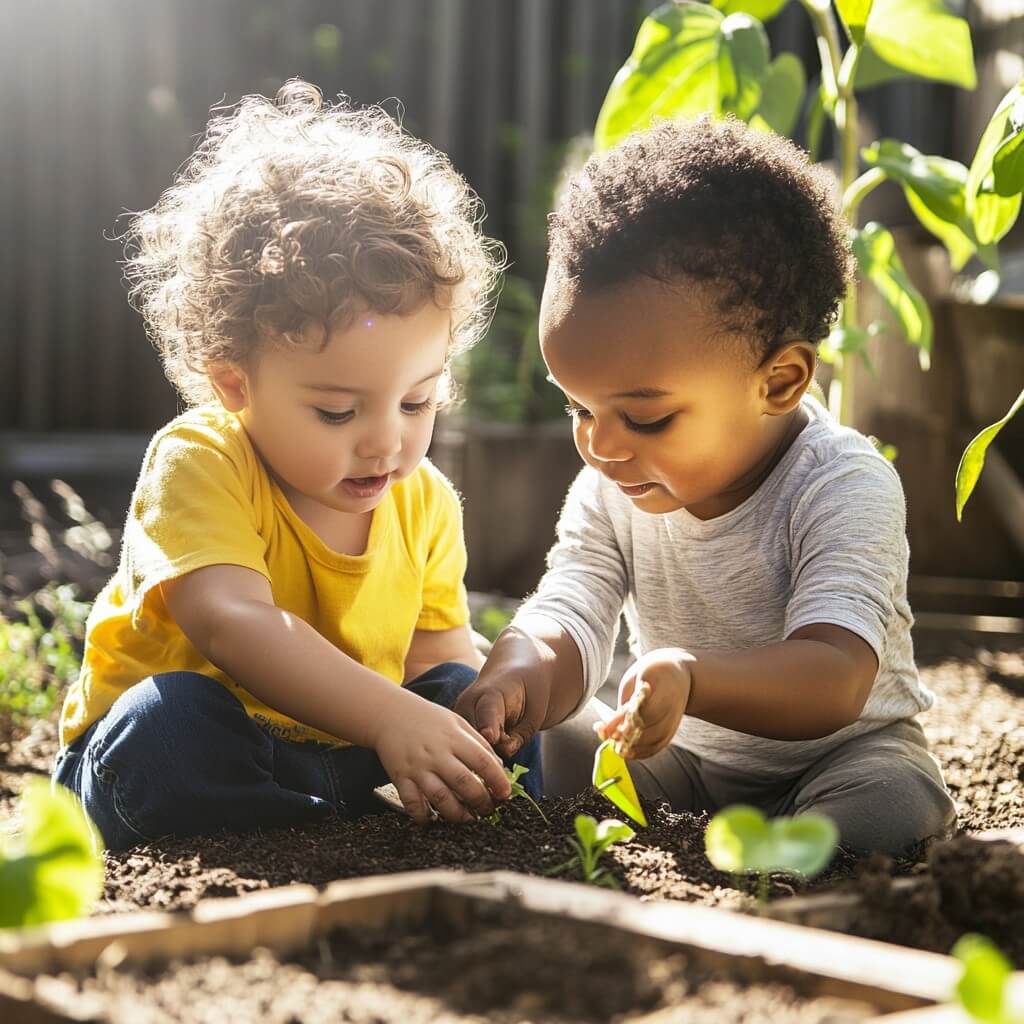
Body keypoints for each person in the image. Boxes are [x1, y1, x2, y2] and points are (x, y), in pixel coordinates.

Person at [54, 80, 539, 852]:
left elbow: (434, 660)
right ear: (235, 383)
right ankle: (324, 830)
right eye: (339, 413)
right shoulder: (202, 462)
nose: (385, 443)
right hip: (178, 759)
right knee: (169, 723)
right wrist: (387, 717)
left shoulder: (424, 503)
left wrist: (475, 716)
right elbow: (234, 624)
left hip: (328, 764)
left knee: (467, 702)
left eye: (417, 403)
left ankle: (364, 827)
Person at [455, 116, 955, 856]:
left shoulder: (843, 483)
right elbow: (575, 604)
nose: (600, 443)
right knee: (555, 743)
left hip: (839, 759)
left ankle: (790, 857)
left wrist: (693, 679)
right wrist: (523, 665)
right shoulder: (616, 484)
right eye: (579, 407)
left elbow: (835, 674)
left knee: (888, 803)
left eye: (646, 417)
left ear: (779, 381)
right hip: (679, 764)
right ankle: (738, 844)